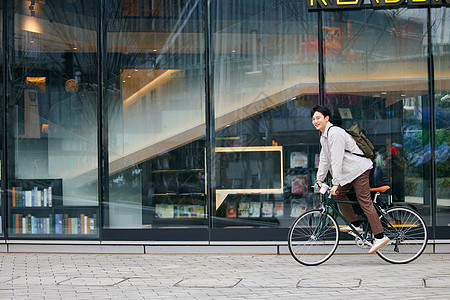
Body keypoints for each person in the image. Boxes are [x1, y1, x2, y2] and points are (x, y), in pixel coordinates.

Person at [311, 105, 390, 254]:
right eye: (313, 119)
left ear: (326, 118)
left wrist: (335, 183)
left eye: (318, 118)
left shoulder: (335, 133)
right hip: (349, 173)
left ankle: (380, 236)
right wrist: (319, 179)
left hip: (359, 170)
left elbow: (336, 159)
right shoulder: (324, 137)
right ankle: (356, 225)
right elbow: (324, 159)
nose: (315, 121)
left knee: (364, 201)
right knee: (338, 194)